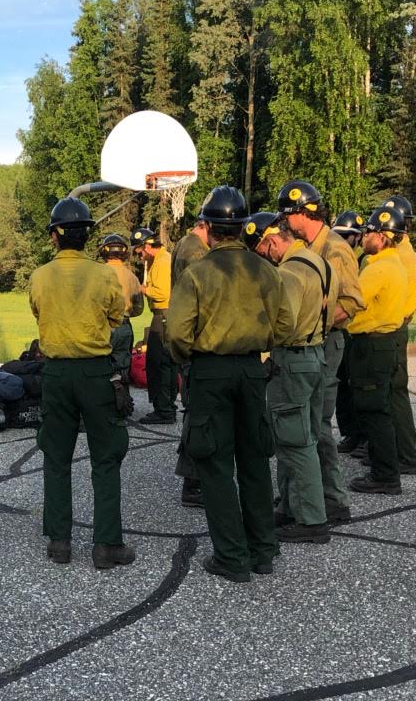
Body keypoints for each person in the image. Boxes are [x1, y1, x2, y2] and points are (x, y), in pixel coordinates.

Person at [165, 186, 293, 583]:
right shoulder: (266, 271)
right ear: (240, 226)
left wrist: (191, 360)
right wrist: (258, 346)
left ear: (210, 227)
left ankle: (232, 557)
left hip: (211, 373)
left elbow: (177, 335)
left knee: (216, 465)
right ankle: (262, 550)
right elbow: (286, 326)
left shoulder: (197, 273)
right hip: (252, 372)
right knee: (255, 460)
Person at [29, 197, 134, 569]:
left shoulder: (40, 276)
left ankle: (60, 541)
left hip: (56, 374)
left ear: (55, 236)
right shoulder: (105, 274)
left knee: (56, 456)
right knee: (105, 458)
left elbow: (38, 310)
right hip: (94, 372)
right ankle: (107, 544)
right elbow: (117, 317)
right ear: (87, 236)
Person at [243, 213, 333, 544]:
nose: (263, 256)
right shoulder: (320, 263)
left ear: (272, 240)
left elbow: (285, 323)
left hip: (292, 359)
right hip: (315, 356)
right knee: (303, 435)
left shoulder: (290, 272)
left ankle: (312, 520)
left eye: (263, 249)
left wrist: (258, 340)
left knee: (295, 442)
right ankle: (293, 507)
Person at [277, 180, 362, 524]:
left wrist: (315, 326)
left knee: (316, 425)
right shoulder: (309, 246)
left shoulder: (335, 249)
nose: (284, 222)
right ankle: (302, 493)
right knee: (304, 423)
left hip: (326, 343)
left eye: (288, 215)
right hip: (316, 341)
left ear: (303, 213)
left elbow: (352, 302)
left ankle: (331, 498)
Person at [346, 207, 410, 495]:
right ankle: (385, 469)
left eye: (370, 232)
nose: (365, 235)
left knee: (373, 410)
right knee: (380, 407)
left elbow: (353, 300)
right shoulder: (394, 263)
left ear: (383, 237)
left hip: (372, 344)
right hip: (386, 342)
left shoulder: (379, 268)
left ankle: (385, 475)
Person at [379, 196, 416, 476]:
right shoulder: (403, 250)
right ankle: (396, 450)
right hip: (398, 325)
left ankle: (406, 456)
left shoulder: (401, 254)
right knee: (392, 392)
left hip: (394, 328)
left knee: (395, 392)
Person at [171, 219, 210, 508]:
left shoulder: (186, 245)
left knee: (196, 412)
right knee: (199, 414)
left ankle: (195, 480)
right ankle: (194, 482)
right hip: (197, 345)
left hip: (191, 344)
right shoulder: (196, 252)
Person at [132, 228, 179, 424]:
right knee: (166, 363)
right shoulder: (161, 258)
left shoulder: (161, 261)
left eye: (140, 251)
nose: (140, 256)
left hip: (164, 315)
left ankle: (164, 410)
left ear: (148, 246)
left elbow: (161, 293)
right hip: (165, 316)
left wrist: (141, 289)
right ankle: (167, 406)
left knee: (159, 363)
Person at [330, 211, 366, 452]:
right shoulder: (340, 255)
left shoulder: (363, 258)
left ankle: (361, 434)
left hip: (353, 328)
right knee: (341, 385)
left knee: (353, 385)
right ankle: (350, 433)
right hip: (343, 329)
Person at [97, 233, 143, 385]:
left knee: (101, 366)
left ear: (104, 251)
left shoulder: (97, 274)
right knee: (122, 368)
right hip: (124, 326)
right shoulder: (132, 277)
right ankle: (123, 401)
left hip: (103, 326)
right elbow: (139, 308)